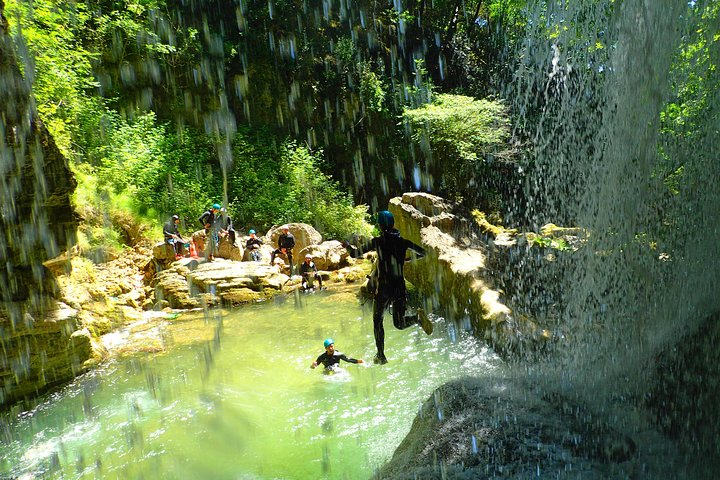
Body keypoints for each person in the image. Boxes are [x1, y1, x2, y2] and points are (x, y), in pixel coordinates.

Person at [344, 210, 433, 365]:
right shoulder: (403, 242)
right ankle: (417, 319)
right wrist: (405, 259)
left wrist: (347, 246)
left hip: (384, 288)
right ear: (392, 224)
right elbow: (424, 253)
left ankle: (381, 355)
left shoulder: (378, 241)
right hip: (399, 286)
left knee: (377, 321)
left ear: (380, 225)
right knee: (399, 323)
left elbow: (354, 254)